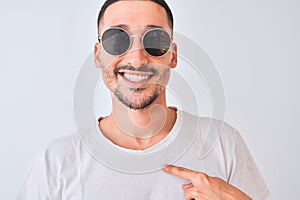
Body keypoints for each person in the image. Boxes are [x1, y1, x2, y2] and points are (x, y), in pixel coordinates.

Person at [17, 0, 270, 199]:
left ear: (172, 55)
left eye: (155, 40)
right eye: (117, 40)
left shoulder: (223, 143)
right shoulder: (56, 162)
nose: (137, 59)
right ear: (97, 56)